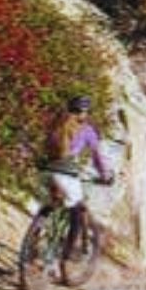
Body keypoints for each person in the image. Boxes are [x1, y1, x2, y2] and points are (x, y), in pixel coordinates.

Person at [44, 96, 115, 245]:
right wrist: (106, 175)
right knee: (77, 209)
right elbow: (98, 156)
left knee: (53, 204)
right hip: (65, 170)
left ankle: (33, 242)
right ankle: (67, 255)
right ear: (84, 112)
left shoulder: (55, 122)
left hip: (45, 169)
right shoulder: (86, 129)